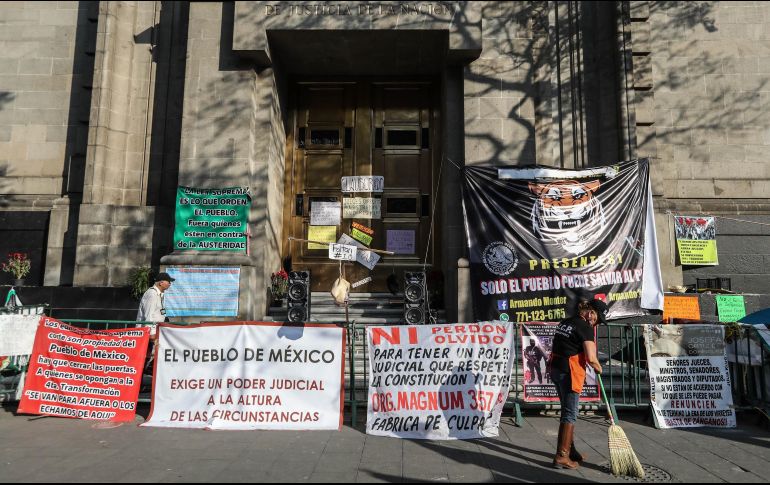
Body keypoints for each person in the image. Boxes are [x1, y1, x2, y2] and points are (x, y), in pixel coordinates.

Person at [548, 298, 606, 469]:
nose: (596, 323)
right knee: (570, 414)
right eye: (597, 319)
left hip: (556, 370)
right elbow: (591, 357)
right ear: (591, 312)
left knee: (567, 410)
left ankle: (570, 451)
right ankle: (561, 456)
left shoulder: (566, 322)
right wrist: (598, 368)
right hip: (569, 373)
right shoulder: (585, 328)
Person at [136, 272, 175, 377]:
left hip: (156, 331)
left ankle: (146, 380)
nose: (170, 284)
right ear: (161, 282)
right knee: (145, 358)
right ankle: (139, 383)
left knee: (151, 357)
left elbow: (160, 312)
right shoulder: (152, 294)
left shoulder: (160, 294)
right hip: (147, 333)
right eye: (168, 281)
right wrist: (151, 333)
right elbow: (148, 316)